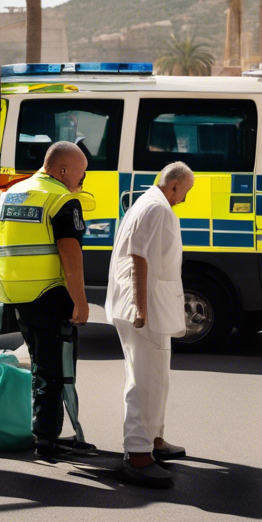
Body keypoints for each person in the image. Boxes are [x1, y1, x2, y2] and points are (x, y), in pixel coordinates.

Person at [0, 141, 95, 458]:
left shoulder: (14, 193)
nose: (82, 180)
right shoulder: (61, 198)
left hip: (17, 293)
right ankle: (47, 439)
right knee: (56, 369)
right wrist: (80, 301)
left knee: (41, 364)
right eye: (80, 173)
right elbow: (70, 254)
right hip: (50, 293)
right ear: (63, 170)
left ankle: (44, 431)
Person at [106, 162, 194, 488]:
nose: (185, 198)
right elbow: (138, 258)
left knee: (157, 379)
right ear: (174, 186)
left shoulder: (151, 204)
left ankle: (153, 439)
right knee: (145, 382)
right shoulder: (156, 208)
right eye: (185, 191)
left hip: (153, 308)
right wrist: (141, 309)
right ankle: (138, 454)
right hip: (146, 310)